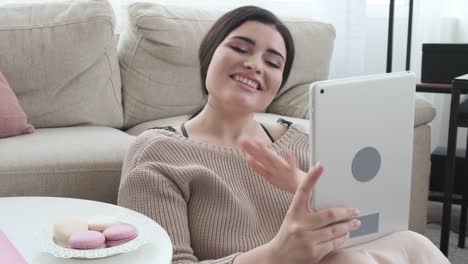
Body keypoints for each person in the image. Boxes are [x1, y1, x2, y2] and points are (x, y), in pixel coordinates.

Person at [118, 6, 449, 264]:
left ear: (278, 85)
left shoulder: (304, 144)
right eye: (240, 47)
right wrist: (276, 255)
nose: (255, 65)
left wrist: (300, 183)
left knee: (413, 242)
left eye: (273, 62)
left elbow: (367, 226)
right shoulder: (158, 153)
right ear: (209, 55)